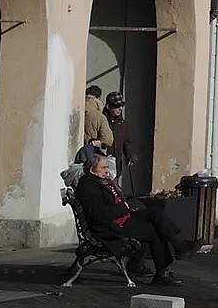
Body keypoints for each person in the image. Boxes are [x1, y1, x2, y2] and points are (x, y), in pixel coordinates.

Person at [75, 152, 185, 285]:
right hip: (109, 227)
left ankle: (179, 245)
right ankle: (162, 271)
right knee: (155, 231)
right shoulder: (88, 186)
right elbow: (99, 215)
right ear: (93, 169)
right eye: (103, 168)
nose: (107, 171)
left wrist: (127, 203)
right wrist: (124, 206)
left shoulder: (97, 181)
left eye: (106, 167)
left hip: (121, 217)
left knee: (156, 213)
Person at [82, 84, 113, 153]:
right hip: (91, 154)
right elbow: (108, 140)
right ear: (98, 98)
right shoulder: (99, 117)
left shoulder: (77, 109)